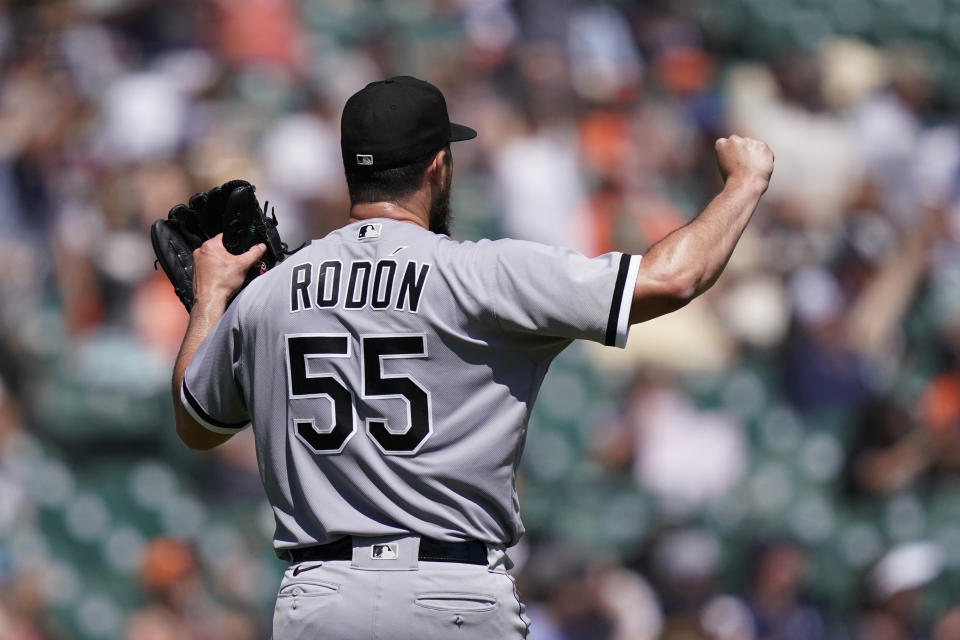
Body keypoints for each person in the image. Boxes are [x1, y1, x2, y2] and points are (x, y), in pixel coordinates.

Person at [170, 75, 773, 639]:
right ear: (438, 165)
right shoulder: (481, 273)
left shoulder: (273, 292)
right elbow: (672, 280)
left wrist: (210, 299)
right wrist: (742, 185)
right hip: (449, 591)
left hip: (321, 598)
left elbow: (196, 424)